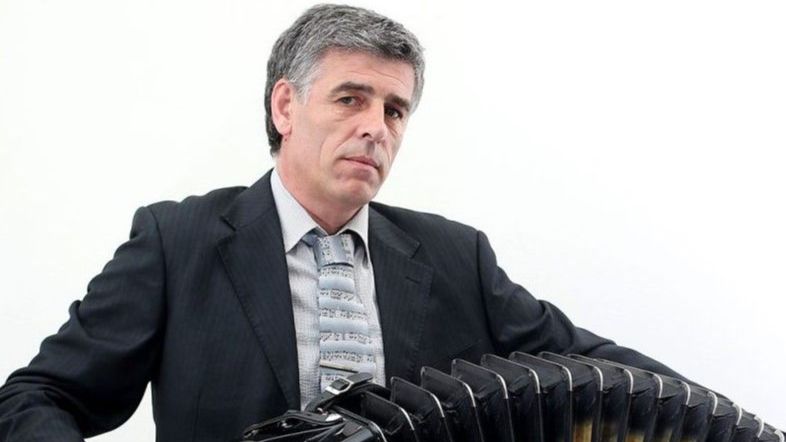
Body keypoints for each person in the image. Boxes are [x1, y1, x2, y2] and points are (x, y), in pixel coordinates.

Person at [0, 4, 688, 442]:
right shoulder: (176, 242)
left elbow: (594, 370)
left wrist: (706, 414)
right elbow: (39, 397)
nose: (376, 127)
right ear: (285, 107)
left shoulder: (457, 256)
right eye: (350, 99)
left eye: (394, 110)